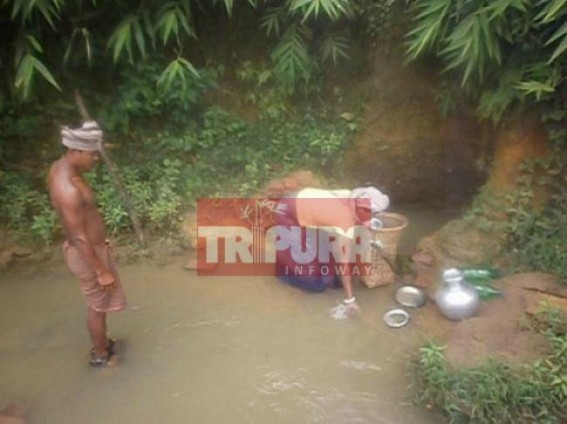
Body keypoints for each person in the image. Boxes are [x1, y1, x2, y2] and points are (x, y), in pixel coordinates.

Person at [48, 121, 127, 366]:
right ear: (74, 151)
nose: (95, 159)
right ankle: (101, 356)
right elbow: (78, 236)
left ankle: (103, 343)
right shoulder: (67, 188)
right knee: (96, 306)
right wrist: (101, 271)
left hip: (92, 249)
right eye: (92, 154)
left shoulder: (62, 170)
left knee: (100, 305)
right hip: (87, 254)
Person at [266, 172, 390, 316]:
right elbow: (343, 260)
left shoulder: (349, 196)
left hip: (306, 209)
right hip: (287, 212)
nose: (372, 217)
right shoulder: (344, 220)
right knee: (316, 285)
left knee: (333, 280)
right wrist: (350, 299)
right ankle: (283, 272)